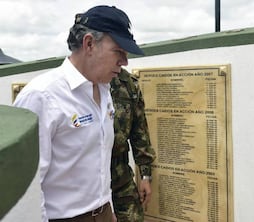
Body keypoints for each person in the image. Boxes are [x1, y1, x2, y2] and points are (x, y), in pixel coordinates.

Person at [13, 5, 144, 222]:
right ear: (89, 44)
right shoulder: (42, 96)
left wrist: (107, 208)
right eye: (118, 51)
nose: (125, 62)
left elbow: (98, 164)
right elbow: (25, 185)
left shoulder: (103, 90)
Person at [110, 68, 156, 222]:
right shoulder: (78, 87)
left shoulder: (127, 84)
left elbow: (139, 132)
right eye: (117, 51)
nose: (124, 61)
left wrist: (145, 176)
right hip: (89, 185)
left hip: (121, 178)